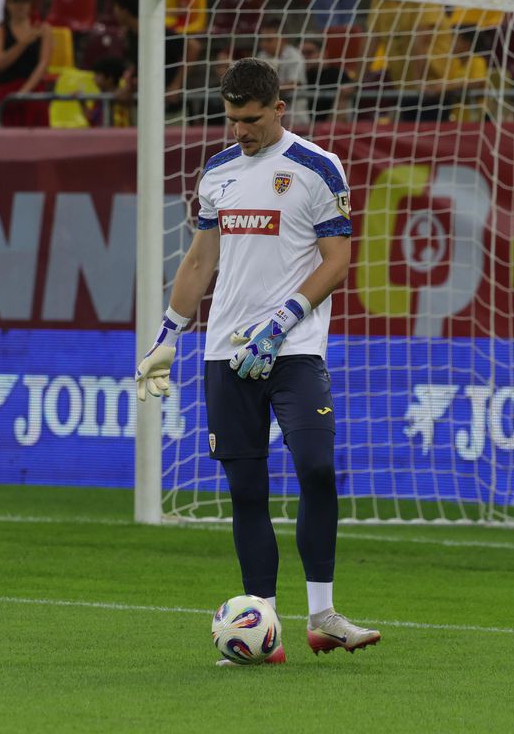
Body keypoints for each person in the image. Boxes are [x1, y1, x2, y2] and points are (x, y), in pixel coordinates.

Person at [134, 57, 379, 666]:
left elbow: (337, 262)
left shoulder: (317, 167)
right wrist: (167, 335)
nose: (240, 130)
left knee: (316, 467)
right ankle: (263, 627)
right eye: (232, 119)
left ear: (278, 108)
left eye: (251, 119)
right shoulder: (218, 172)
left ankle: (323, 615)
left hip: (293, 349)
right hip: (226, 353)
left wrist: (279, 323)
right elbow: (200, 261)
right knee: (246, 490)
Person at [0, 0, 52, 128]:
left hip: (33, 91)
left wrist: (25, 92)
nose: (21, 6)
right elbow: (0, 63)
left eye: (25, 1)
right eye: (16, 1)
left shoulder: (43, 29)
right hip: (7, 92)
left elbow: (43, 64)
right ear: (7, 3)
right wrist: (24, 43)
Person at [257, 18, 310, 128]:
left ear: (283, 39)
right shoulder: (261, 57)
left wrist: (265, 89)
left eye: (269, 40)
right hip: (271, 118)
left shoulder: (294, 56)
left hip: (295, 117)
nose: (264, 44)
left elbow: (294, 84)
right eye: (262, 40)